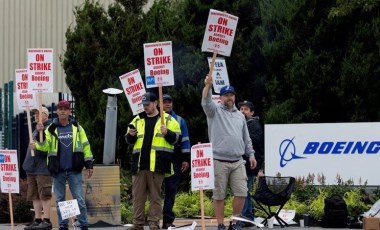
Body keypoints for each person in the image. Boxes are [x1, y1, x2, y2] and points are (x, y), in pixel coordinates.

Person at [201, 76, 257, 230]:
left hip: (238, 160)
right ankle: (220, 224)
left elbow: (246, 138)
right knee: (219, 195)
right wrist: (208, 86)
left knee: (242, 193)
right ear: (221, 98)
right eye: (226, 95)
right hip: (219, 160)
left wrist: (251, 154)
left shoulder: (240, 115)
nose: (229, 97)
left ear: (234, 97)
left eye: (231, 95)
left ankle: (235, 222)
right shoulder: (214, 111)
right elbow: (205, 101)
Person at [31, 100, 93, 230]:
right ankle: (63, 226)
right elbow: (45, 146)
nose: (63, 111)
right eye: (60, 109)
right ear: (57, 111)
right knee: (59, 201)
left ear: (69, 111)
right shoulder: (51, 129)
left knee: (80, 199)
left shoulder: (77, 127)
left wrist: (89, 164)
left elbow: (86, 146)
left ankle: (84, 224)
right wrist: (37, 143)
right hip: (57, 170)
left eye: (66, 109)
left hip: (74, 170)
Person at [125, 92, 181, 230]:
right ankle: (137, 224)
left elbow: (177, 140)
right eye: (143, 104)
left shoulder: (168, 120)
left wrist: (167, 132)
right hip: (139, 165)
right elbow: (129, 140)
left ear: (156, 103)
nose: (145, 107)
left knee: (155, 197)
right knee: (138, 197)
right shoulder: (137, 120)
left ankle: (153, 224)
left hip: (158, 164)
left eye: (147, 104)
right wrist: (130, 135)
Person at [161, 94, 191, 229]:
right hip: (157, 160)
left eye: (169, 102)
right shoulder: (155, 118)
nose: (167, 104)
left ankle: (167, 221)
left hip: (174, 160)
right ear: (158, 104)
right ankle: (153, 220)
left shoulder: (179, 120)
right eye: (164, 102)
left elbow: (185, 140)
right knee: (155, 192)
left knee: (171, 191)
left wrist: (185, 159)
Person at [22, 106, 53, 230]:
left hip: (42, 168)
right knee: (34, 195)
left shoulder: (49, 128)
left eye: (39, 113)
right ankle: (38, 219)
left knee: (44, 194)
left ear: (46, 115)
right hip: (32, 168)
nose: (36, 116)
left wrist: (43, 133)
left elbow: (47, 145)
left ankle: (46, 220)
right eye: (35, 114)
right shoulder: (35, 130)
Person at [238, 100, 264, 226]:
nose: (243, 111)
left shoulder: (254, 125)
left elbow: (252, 142)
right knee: (245, 191)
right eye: (241, 109)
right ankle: (248, 216)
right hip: (243, 163)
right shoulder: (240, 123)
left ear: (252, 112)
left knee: (243, 191)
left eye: (246, 109)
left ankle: (245, 218)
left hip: (250, 164)